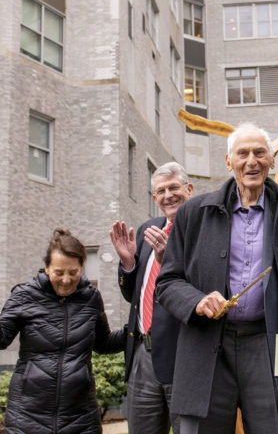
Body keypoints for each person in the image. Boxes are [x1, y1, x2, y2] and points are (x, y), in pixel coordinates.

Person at [156, 123, 278, 434]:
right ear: (229, 162)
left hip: (268, 346)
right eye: (243, 154)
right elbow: (168, 282)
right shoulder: (194, 213)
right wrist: (197, 301)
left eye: (260, 153)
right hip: (207, 345)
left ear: (271, 160)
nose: (251, 161)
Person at [0, 229, 124, 434]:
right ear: (46, 268)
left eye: (73, 272)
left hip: (81, 417)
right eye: (59, 273)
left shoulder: (91, 298)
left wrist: (135, 330)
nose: (66, 280)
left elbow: (104, 343)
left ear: (82, 267)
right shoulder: (25, 296)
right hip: (27, 416)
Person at [109, 161, 194, 434]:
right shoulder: (148, 230)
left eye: (174, 187)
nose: (168, 195)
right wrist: (128, 264)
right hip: (142, 358)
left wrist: (170, 259)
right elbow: (132, 295)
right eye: (160, 191)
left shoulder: (203, 232)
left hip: (185, 357)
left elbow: (203, 290)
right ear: (154, 198)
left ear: (189, 189)